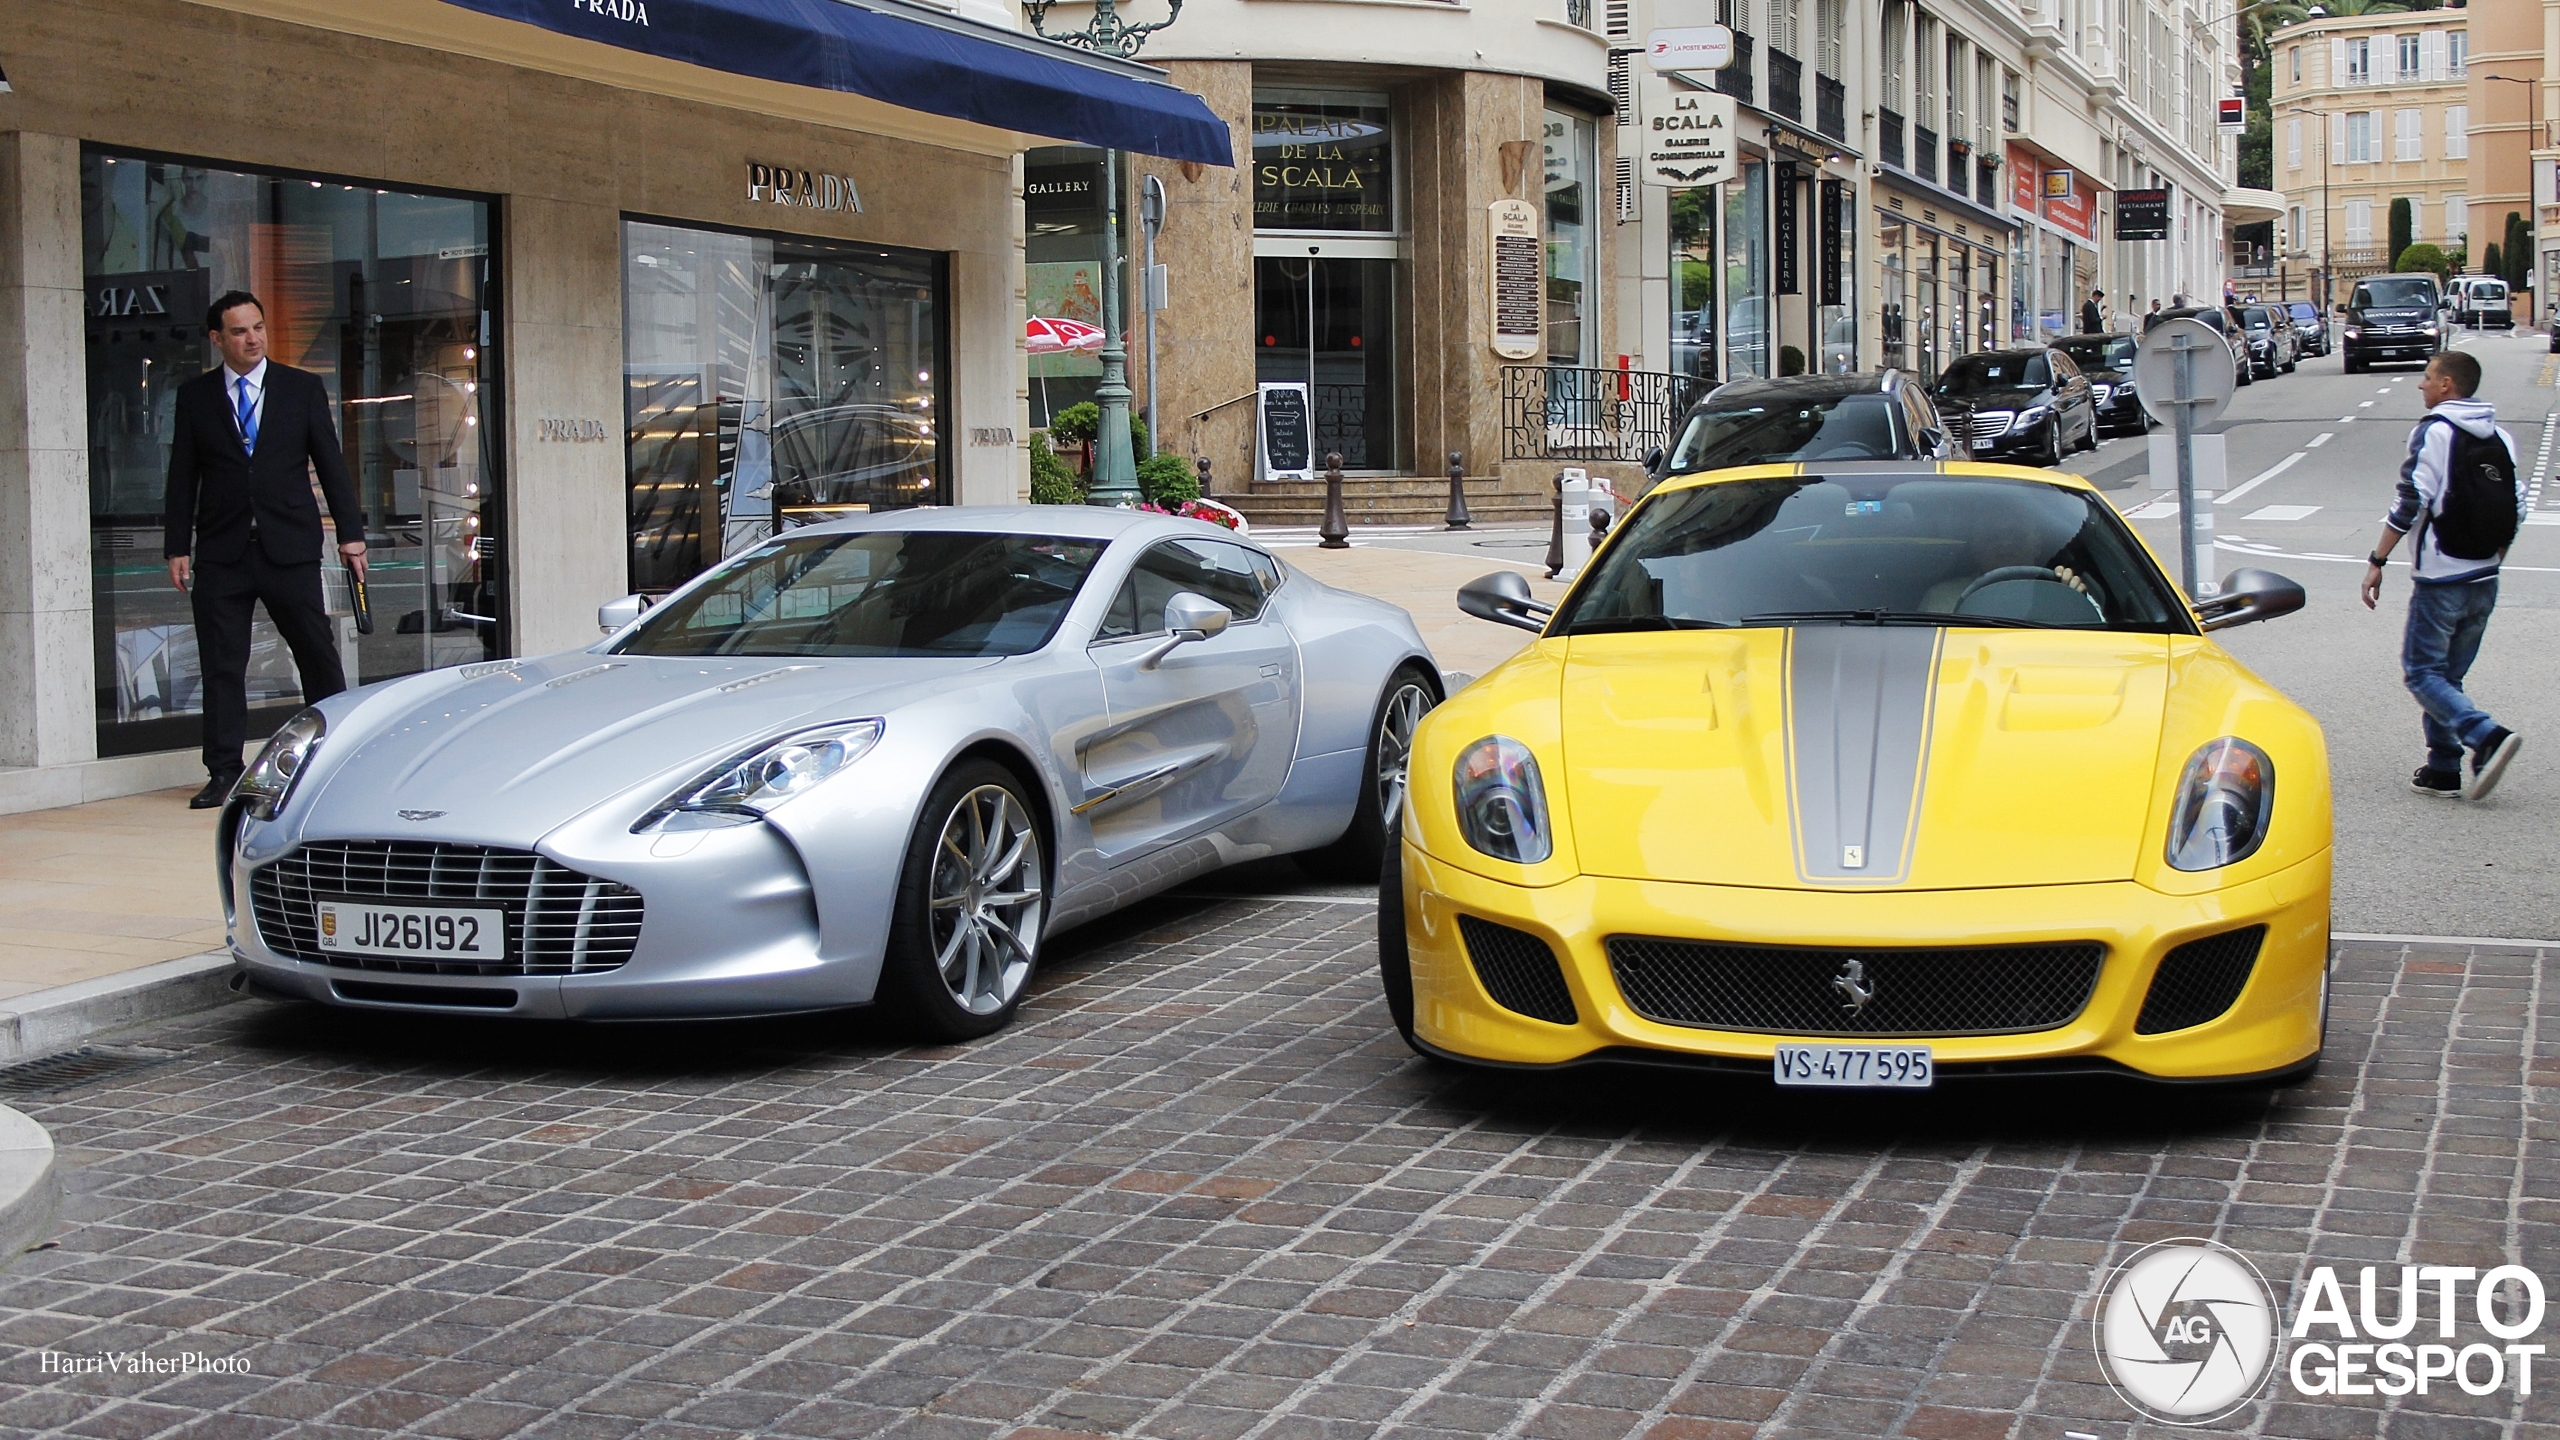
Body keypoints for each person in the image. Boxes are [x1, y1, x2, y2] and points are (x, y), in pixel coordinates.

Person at [164, 291, 367, 808]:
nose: (252, 338)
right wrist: (176, 545)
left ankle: (334, 759)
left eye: (257, 328)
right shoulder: (197, 396)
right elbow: (183, 475)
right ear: (217, 339)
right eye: (239, 331)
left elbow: (330, 462)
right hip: (222, 551)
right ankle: (223, 771)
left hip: (289, 546)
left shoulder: (300, 388)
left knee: (316, 654)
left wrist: (350, 533)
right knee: (222, 664)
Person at [2361, 350, 2528, 800]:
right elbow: (2517, 505)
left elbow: (2410, 501)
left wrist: (2378, 560)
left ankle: (2485, 736)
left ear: (2447, 384)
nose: (2421, 385)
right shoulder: (2501, 436)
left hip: (2442, 577)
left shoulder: (2434, 432)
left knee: (2421, 673)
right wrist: (2493, 555)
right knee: (2446, 678)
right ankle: (2442, 767)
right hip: (2484, 578)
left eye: (2428, 377)